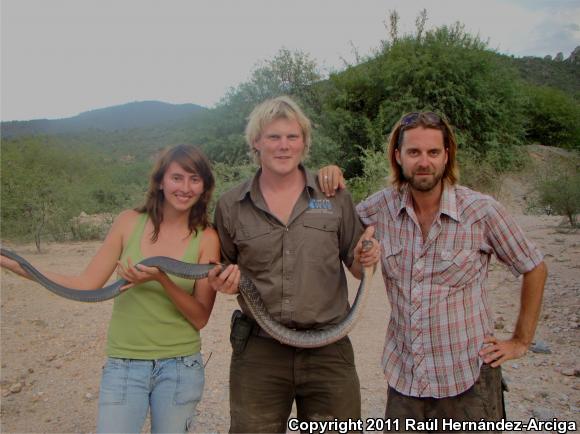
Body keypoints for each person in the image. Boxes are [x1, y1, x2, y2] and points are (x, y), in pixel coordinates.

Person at [319, 111, 548, 429]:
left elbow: (533, 266)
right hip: (405, 383)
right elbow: (339, 238)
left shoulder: (481, 211)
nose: (423, 162)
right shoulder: (378, 209)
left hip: (468, 381)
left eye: (433, 152)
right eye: (414, 152)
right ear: (398, 157)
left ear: (447, 155)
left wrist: (521, 340)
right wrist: (329, 181)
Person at [0, 145, 219, 433]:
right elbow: (86, 286)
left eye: (194, 179)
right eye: (177, 177)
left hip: (180, 366)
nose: (185, 187)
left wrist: (160, 279)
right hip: (125, 364)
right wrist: (19, 267)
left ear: (204, 187)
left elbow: (200, 318)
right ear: (161, 181)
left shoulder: (206, 237)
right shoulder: (129, 222)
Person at [207, 95, 380, 433]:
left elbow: (357, 266)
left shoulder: (334, 196)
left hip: (329, 350)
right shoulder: (231, 206)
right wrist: (222, 281)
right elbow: (223, 268)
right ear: (256, 142)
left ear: (304, 143)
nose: (283, 146)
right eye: (273, 137)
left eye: (292, 137)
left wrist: (365, 258)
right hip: (260, 351)